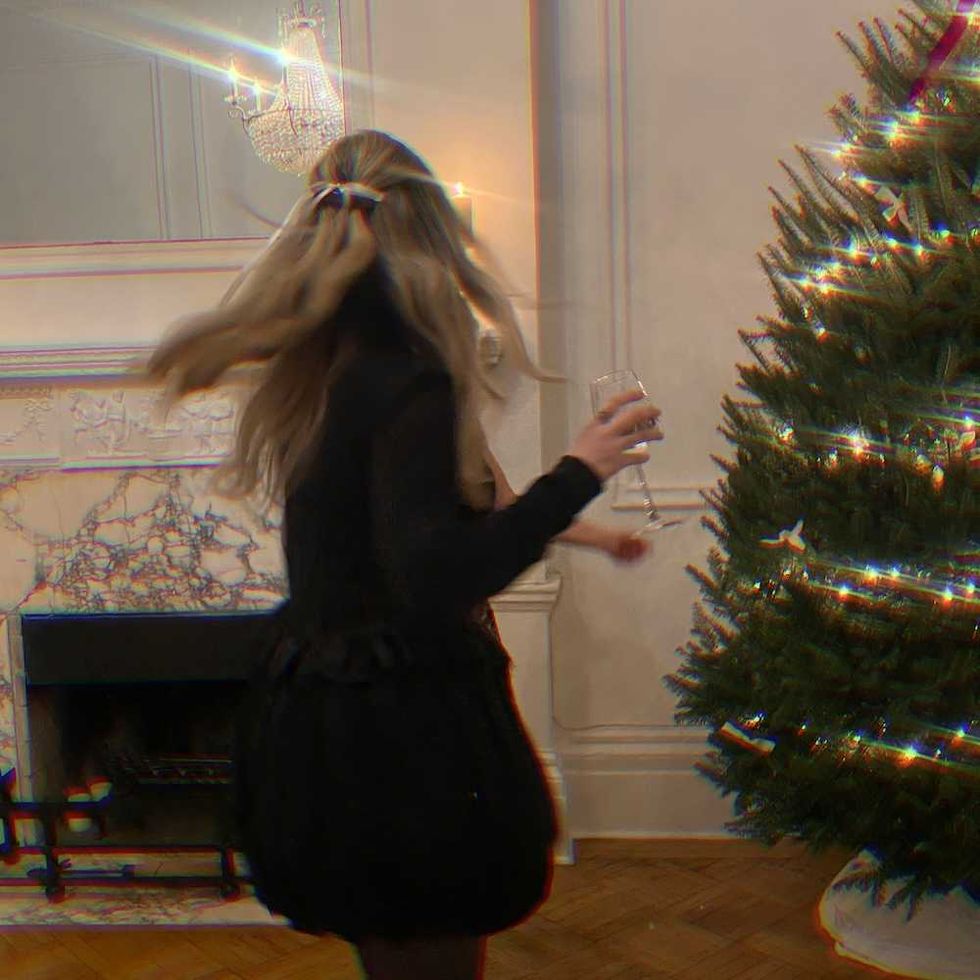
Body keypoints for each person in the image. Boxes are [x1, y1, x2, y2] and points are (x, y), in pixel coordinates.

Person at [147, 130, 662, 980]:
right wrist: (581, 472)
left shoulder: (334, 366)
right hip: (404, 738)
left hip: (332, 719)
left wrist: (584, 525)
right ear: (434, 236)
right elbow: (436, 577)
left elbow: (420, 519)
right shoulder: (407, 374)